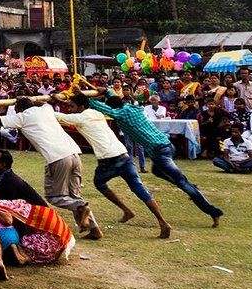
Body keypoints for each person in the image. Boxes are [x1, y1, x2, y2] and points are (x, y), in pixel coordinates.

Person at [0, 92, 102, 239]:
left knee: (55, 197)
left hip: (57, 158)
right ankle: (94, 229)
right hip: (74, 154)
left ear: (20, 109)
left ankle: (81, 207)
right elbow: (43, 103)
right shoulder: (45, 109)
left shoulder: (23, 117)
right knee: (74, 195)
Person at [83, 90, 224, 226]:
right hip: (166, 146)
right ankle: (186, 185)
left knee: (182, 183)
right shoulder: (132, 107)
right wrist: (107, 91)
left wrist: (84, 97)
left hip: (159, 152)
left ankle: (211, 210)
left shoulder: (120, 113)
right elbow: (115, 101)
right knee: (157, 171)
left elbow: (105, 109)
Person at [51, 92, 172, 238]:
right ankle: (162, 222)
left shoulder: (81, 117)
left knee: (99, 183)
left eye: (71, 106)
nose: (69, 109)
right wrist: (63, 101)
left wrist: (47, 105)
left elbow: (57, 117)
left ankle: (126, 210)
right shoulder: (95, 112)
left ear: (81, 107)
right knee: (139, 189)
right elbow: (74, 111)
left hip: (108, 159)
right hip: (123, 154)